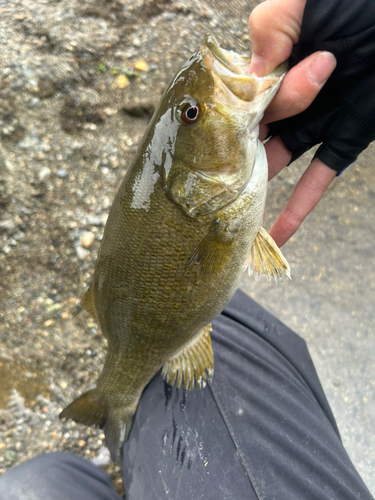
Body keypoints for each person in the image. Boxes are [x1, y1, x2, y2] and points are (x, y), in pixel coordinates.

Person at [1, 0, 374, 498]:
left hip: (149, 314)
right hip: (164, 316)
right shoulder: (212, 194)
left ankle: (117, 416)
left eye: (188, 112)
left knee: (33, 485)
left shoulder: (210, 190)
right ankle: (119, 404)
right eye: (191, 113)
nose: (195, 107)